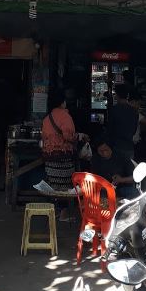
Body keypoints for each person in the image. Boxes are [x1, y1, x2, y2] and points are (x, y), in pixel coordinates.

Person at [93, 84, 146, 196]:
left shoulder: (114, 110)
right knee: (130, 172)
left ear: (117, 95)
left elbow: (110, 129)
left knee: (113, 174)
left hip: (116, 146)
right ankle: (127, 197)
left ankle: (113, 196)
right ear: (127, 96)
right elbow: (134, 130)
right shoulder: (134, 111)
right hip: (129, 146)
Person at [42, 92, 86, 222]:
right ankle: (63, 214)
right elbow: (68, 136)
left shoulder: (47, 118)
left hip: (50, 156)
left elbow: (44, 136)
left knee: (54, 185)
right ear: (62, 103)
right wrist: (79, 136)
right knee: (65, 186)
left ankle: (56, 211)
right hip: (63, 156)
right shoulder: (65, 116)